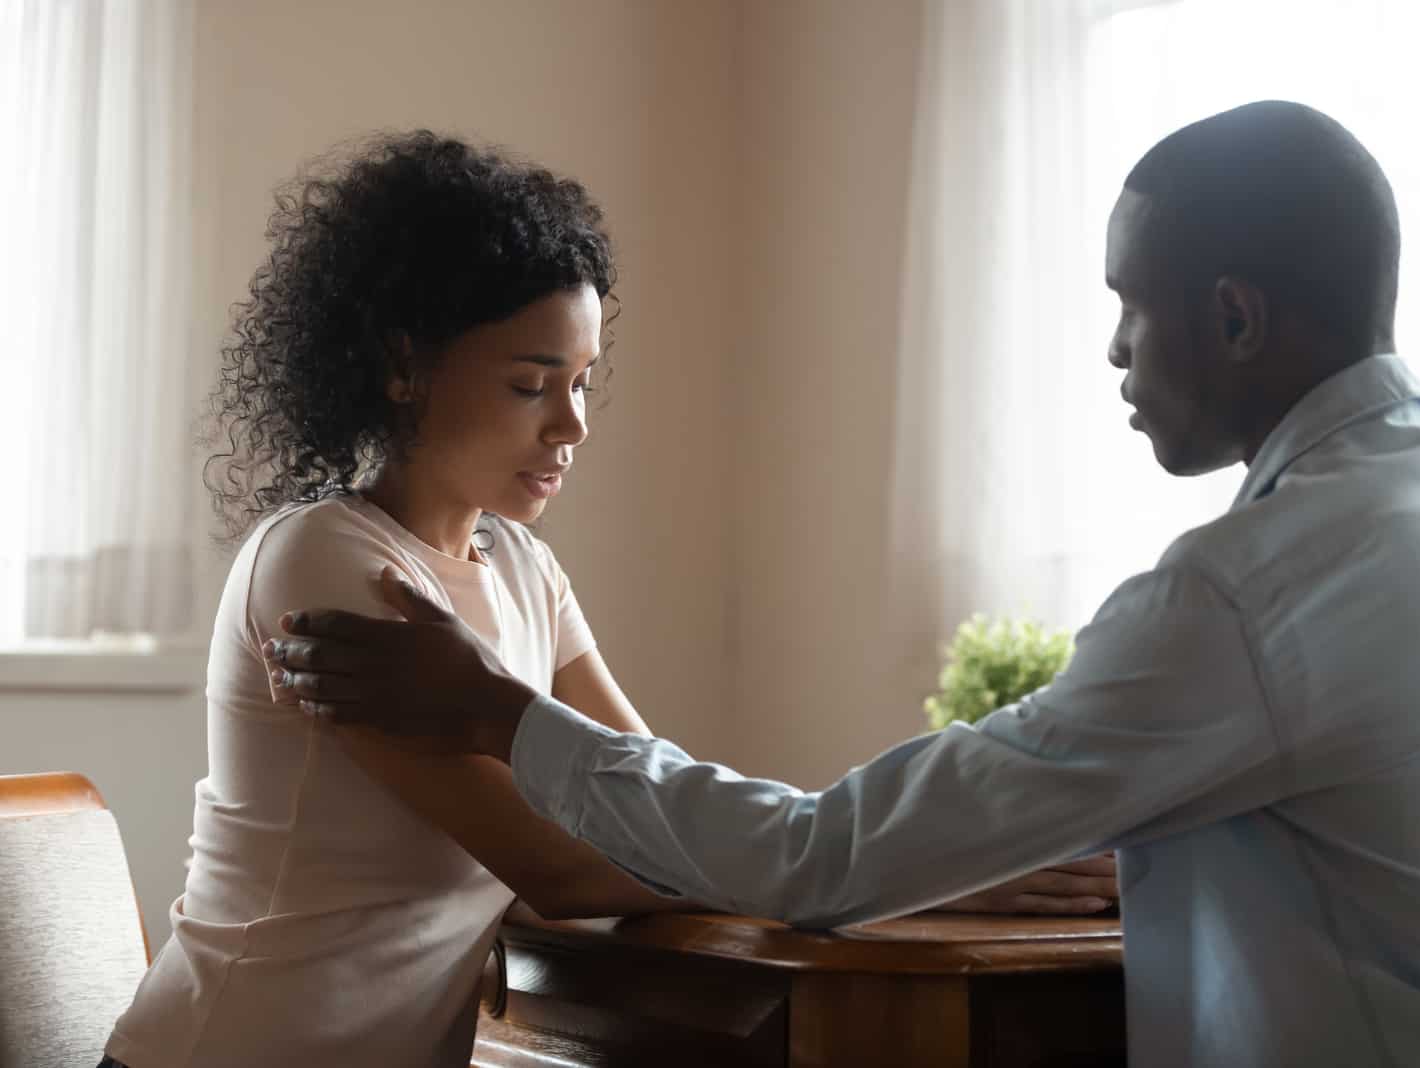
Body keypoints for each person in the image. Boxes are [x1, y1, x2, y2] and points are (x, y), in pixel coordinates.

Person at [270, 101, 1420, 1068]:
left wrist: (498, 715)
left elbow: (817, 860)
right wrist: (1011, 849)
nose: (1117, 351)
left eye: (1134, 304)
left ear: (1237, 319)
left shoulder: (1242, 596)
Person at [102, 130, 1111, 1068]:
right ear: (403, 365)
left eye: (582, 382)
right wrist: (896, 877)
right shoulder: (327, 563)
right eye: (530, 385)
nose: (571, 426)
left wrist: (886, 861)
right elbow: (560, 867)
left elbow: (652, 800)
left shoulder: (526, 570)